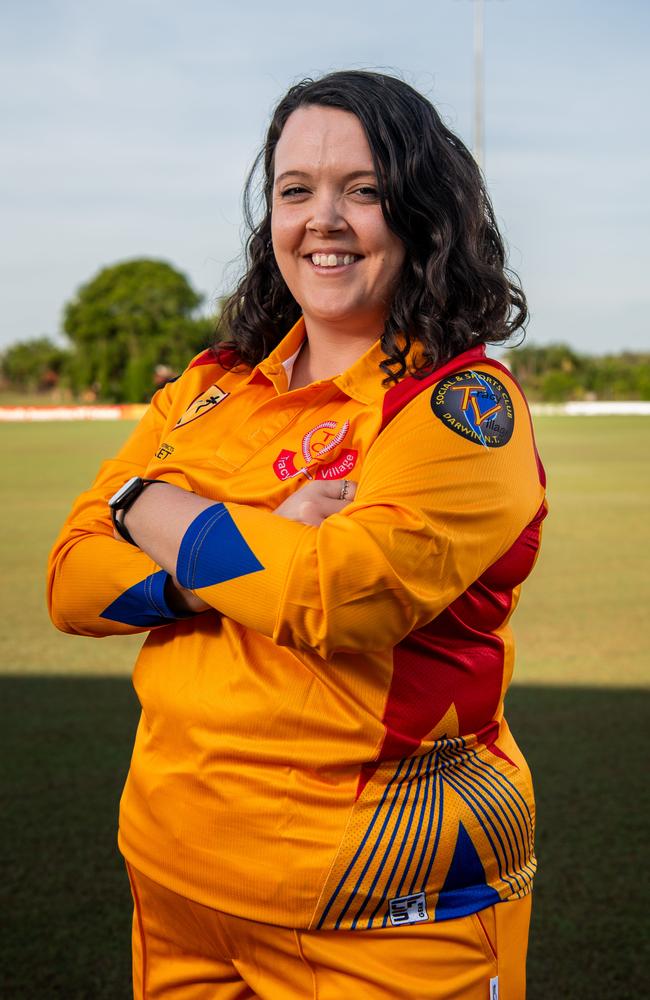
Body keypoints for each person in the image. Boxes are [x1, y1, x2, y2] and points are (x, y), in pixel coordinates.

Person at [48, 70, 547, 1000]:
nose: (324, 217)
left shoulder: (462, 408)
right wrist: (224, 555)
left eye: (363, 189)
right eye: (295, 190)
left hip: (380, 900)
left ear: (422, 214)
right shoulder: (209, 390)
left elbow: (331, 596)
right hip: (173, 870)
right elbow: (71, 582)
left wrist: (142, 502)